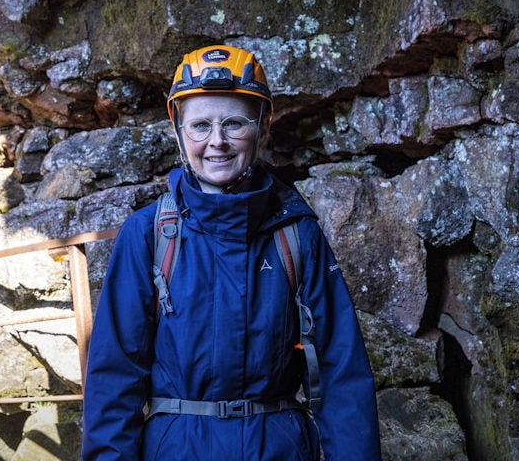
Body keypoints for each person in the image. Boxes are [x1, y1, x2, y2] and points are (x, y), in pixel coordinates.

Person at [82, 45, 381, 460]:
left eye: (234, 123)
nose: (217, 142)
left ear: (262, 126)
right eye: (200, 125)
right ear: (179, 130)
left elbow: (341, 374)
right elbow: (114, 380)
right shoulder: (147, 235)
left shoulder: (297, 235)